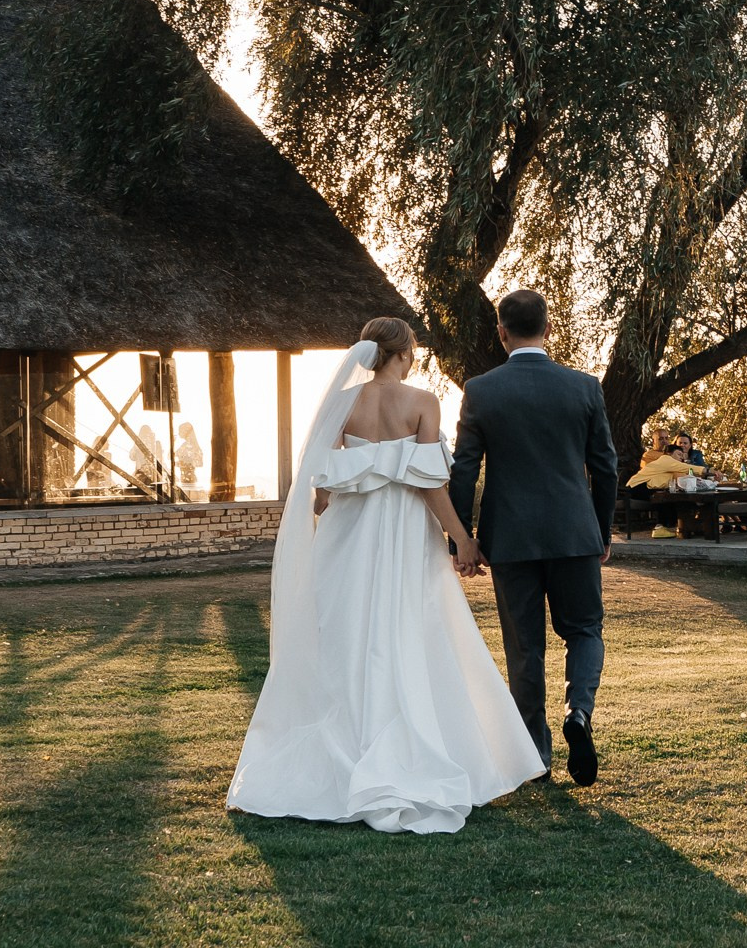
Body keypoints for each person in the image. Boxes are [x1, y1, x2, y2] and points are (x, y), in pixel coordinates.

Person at [228, 318, 543, 833]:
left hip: (349, 535)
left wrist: (338, 500)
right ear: (404, 353)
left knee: (346, 634)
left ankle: (344, 745)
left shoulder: (341, 403)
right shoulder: (423, 402)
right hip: (404, 533)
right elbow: (429, 485)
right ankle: (413, 738)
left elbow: (321, 490)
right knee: (413, 629)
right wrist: (462, 539)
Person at [448, 288, 619, 787]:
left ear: (501, 332)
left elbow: (464, 469)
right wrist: (601, 530)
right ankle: (578, 711)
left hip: (511, 538)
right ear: (549, 328)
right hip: (575, 533)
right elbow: (606, 468)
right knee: (583, 630)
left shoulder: (481, 390)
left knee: (524, 648)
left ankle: (535, 759)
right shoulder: (584, 387)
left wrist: (462, 538)